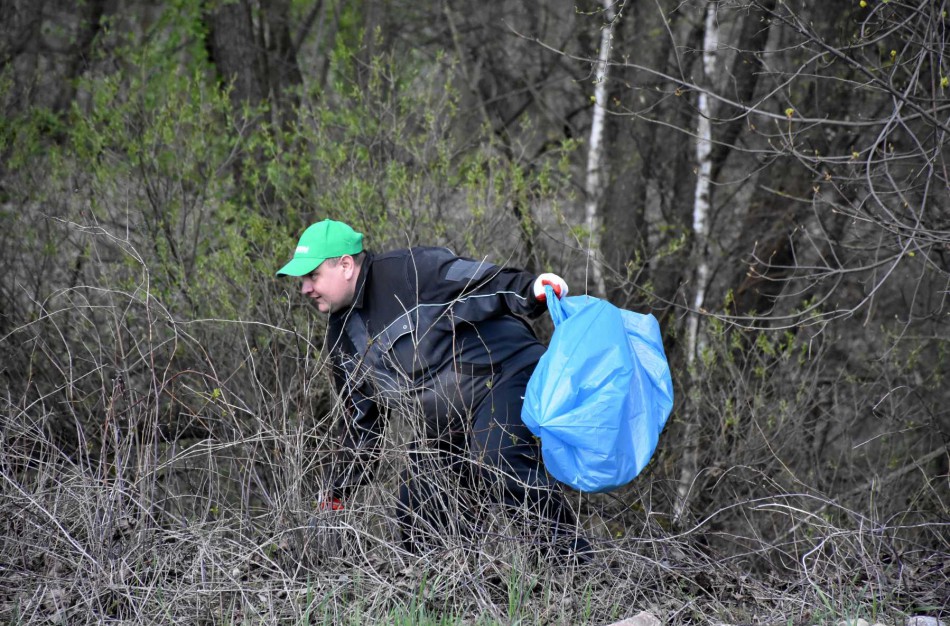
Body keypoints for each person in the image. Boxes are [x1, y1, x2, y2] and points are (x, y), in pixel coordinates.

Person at [277, 219, 583, 556]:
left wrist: (531, 290)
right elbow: (361, 424)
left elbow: (481, 280)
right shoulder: (342, 340)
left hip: (506, 375)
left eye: (313, 276)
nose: (305, 288)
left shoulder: (410, 271)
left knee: (497, 459)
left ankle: (570, 565)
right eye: (303, 280)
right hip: (448, 420)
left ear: (346, 265)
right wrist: (337, 491)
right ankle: (454, 580)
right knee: (418, 505)